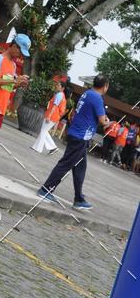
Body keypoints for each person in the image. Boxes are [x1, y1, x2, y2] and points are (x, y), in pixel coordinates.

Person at [37, 74, 111, 209]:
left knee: (80, 167)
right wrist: (109, 123)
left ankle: (79, 199)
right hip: (80, 137)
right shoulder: (97, 98)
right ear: (105, 86)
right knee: (65, 164)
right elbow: (102, 121)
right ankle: (45, 189)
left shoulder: (87, 93)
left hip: (77, 134)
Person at [31, 81, 66, 154]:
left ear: (62, 88)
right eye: (57, 84)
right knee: (44, 131)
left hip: (52, 115)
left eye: (59, 85)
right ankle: (49, 147)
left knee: (43, 131)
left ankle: (40, 148)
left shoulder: (59, 95)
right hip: (54, 116)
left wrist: (49, 116)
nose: (57, 86)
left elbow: (54, 106)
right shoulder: (62, 95)